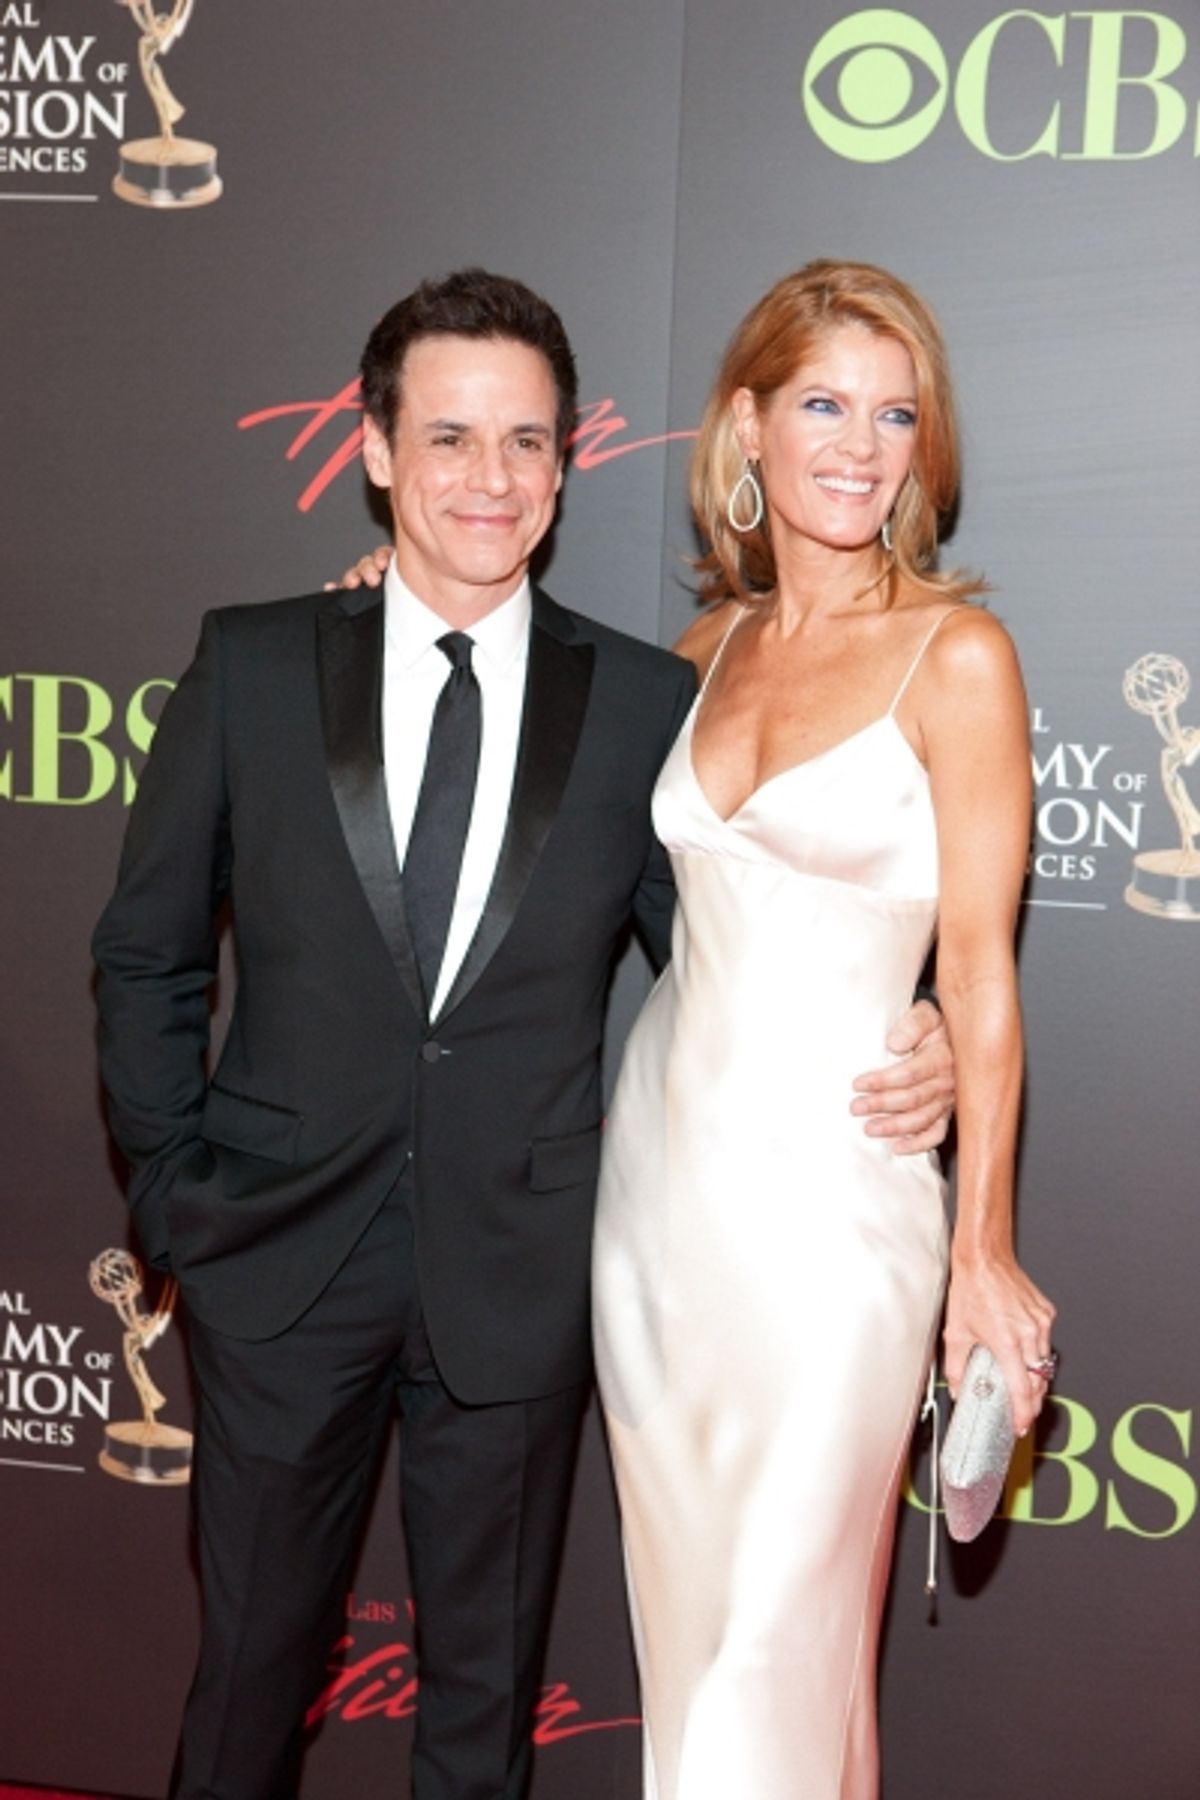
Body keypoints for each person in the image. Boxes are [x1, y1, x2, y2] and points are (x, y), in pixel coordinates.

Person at [93, 267, 954, 1800]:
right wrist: (176, 1204)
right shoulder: (253, 663)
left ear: (566, 465)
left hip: (523, 1273)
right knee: (245, 1687)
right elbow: (146, 954)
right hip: (276, 1264)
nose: (488, 480)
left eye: (526, 444)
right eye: (450, 439)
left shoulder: (642, 700)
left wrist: (921, 1026)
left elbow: (741, 942)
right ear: (373, 449)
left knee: (483, 1716)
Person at [591, 261, 1057, 1800]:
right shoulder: (692, 660)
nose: (861, 445)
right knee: (727, 1667)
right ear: (748, 428)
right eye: (823, 405)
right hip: (660, 1216)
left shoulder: (957, 659)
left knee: (768, 1664)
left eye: (897, 412)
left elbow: (982, 977)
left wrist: (979, 1250)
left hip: (843, 1225)